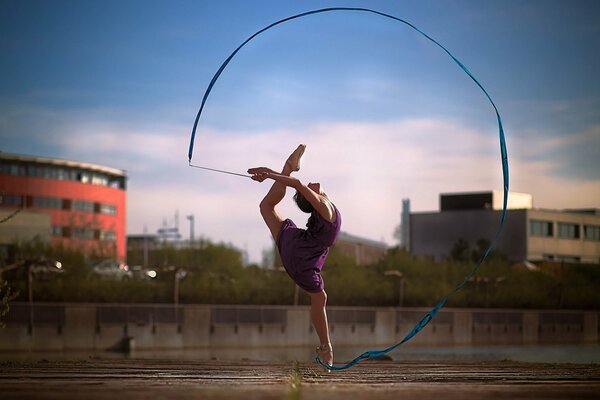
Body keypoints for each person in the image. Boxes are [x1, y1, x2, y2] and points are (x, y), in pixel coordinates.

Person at [248, 144, 341, 368]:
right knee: (320, 298)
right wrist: (269, 174)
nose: (310, 184)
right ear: (312, 199)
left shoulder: (324, 203)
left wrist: (275, 173)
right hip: (301, 255)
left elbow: (302, 187)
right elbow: (299, 186)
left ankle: (289, 166)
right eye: (308, 190)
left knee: (266, 207)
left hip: (303, 248)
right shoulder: (325, 209)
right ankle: (326, 348)